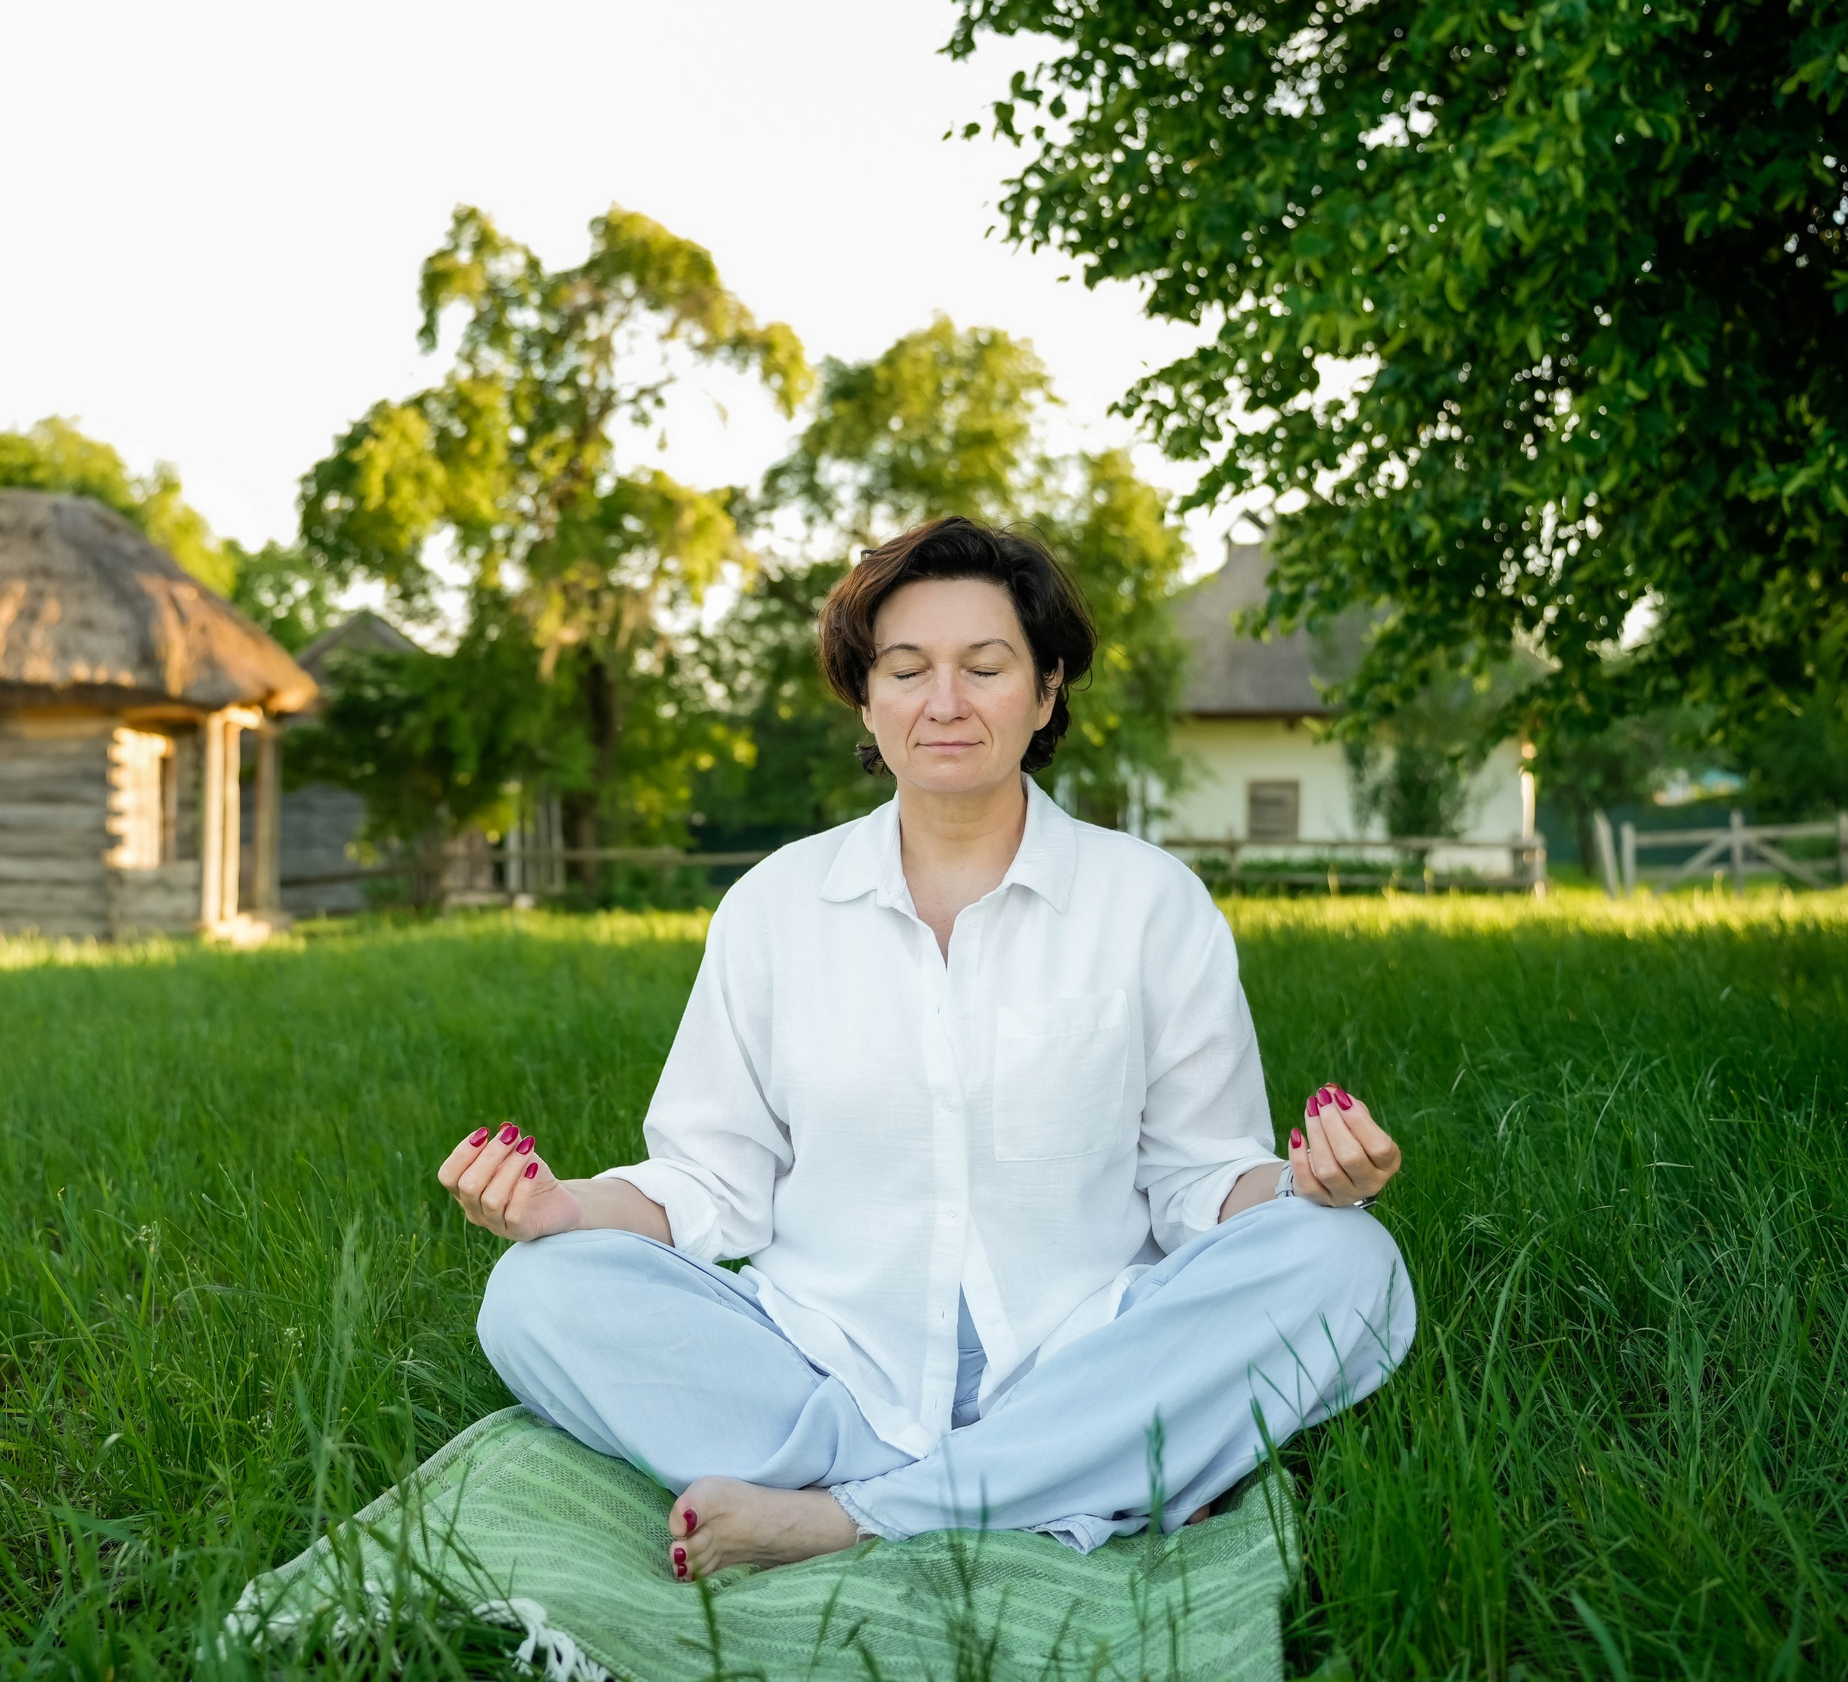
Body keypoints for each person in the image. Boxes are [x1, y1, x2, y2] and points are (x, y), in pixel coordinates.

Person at [435, 517, 1414, 1583]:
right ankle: (1078, 1478)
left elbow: (1197, 1178)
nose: (944, 701)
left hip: (1087, 1356)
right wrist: (566, 1207)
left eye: (984, 667)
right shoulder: (774, 907)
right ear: (867, 698)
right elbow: (711, 1181)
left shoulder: (1149, 902)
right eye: (906, 670)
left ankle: (853, 1515)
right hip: (826, 1371)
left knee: (1345, 1259)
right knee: (533, 1294)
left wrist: (1305, 1186)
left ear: (1045, 691)